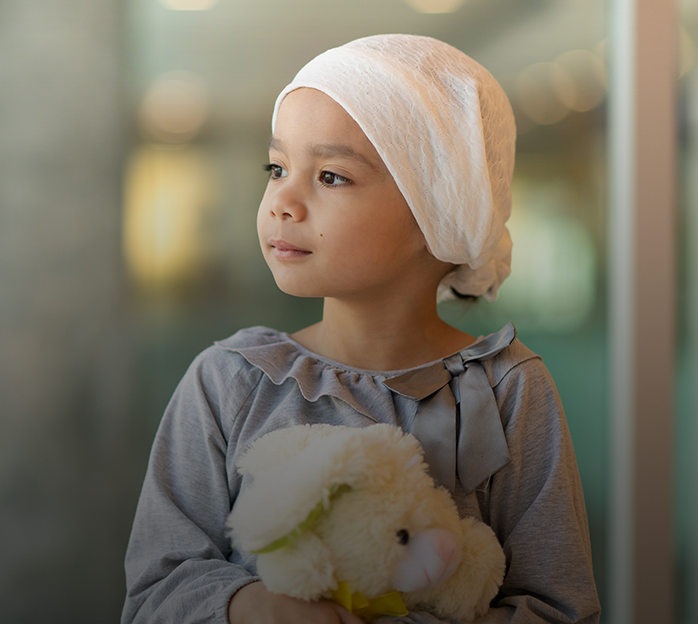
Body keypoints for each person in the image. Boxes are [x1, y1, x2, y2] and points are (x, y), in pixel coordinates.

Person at [122, 34, 600, 624]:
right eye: (277, 168)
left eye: (330, 177)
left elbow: (559, 606)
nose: (282, 202)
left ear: (438, 210)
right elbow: (155, 589)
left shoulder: (509, 391)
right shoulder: (228, 382)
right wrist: (256, 608)